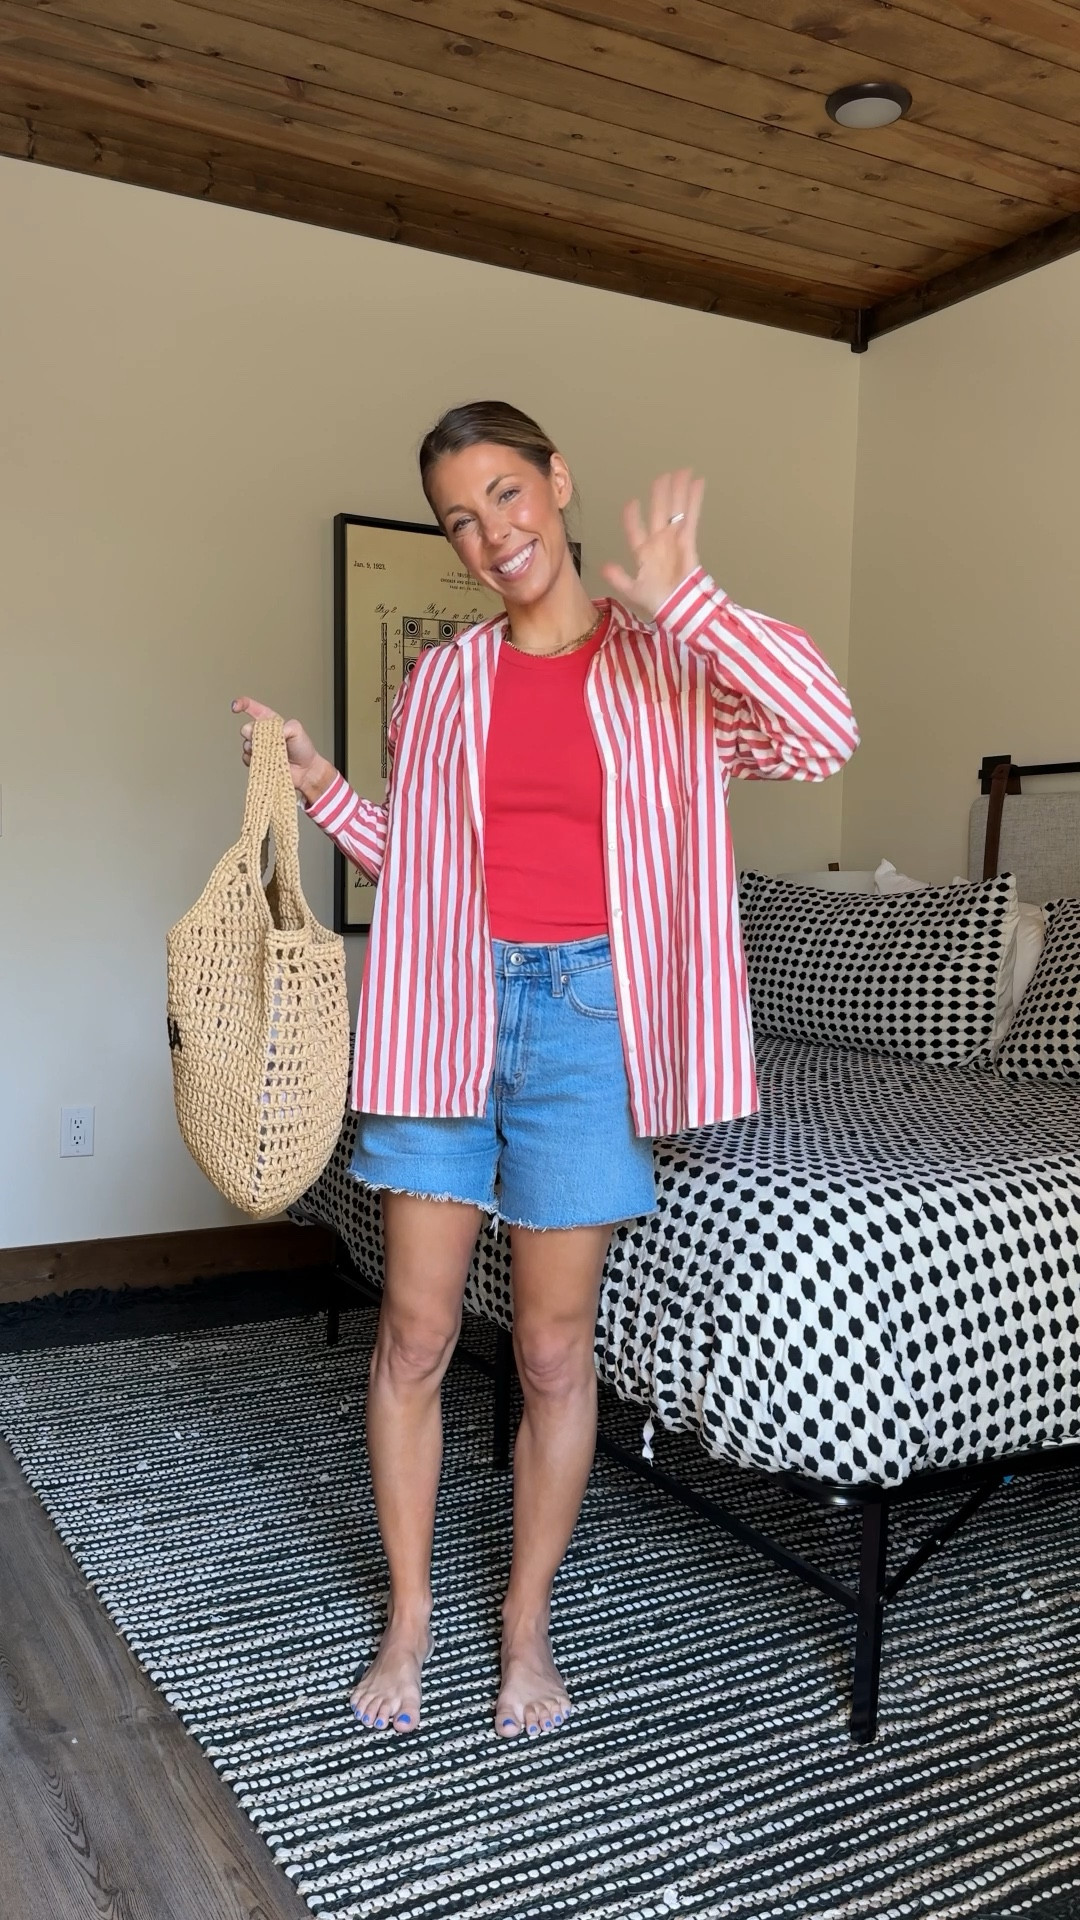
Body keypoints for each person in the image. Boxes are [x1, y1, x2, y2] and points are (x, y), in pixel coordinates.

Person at [234, 400, 858, 1744]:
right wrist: (329, 791)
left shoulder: (667, 662)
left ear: (559, 484)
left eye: (508, 495)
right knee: (413, 1334)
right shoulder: (443, 683)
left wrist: (694, 602)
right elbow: (430, 874)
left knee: (555, 1350)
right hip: (446, 1007)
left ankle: (526, 1625)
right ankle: (409, 1619)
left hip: (588, 1021)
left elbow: (822, 734)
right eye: (461, 516)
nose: (490, 535)